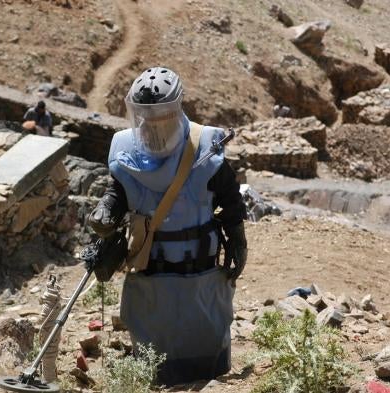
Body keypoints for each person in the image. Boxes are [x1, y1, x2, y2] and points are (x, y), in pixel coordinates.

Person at [88, 66, 247, 385]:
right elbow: (117, 189)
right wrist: (106, 210)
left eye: (159, 118)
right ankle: (155, 375)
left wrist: (238, 240)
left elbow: (230, 198)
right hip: (152, 267)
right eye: (145, 117)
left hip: (198, 268)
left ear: (176, 110)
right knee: (155, 334)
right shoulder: (125, 149)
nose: (152, 126)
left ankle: (205, 376)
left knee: (201, 330)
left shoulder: (206, 147)